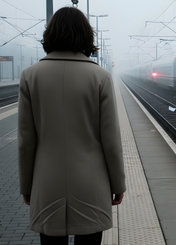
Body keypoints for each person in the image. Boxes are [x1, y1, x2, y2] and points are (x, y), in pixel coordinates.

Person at [18, 7, 126, 245]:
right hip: (91, 184)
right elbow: (110, 140)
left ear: (50, 34)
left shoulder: (30, 76)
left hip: (46, 184)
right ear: (86, 36)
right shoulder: (101, 77)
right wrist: (118, 183)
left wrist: (26, 185)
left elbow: (26, 141)